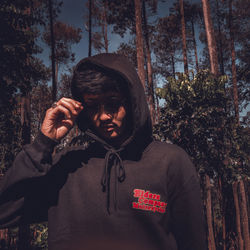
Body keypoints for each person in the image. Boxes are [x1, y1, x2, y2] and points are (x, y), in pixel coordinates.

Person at [0, 53, 206, 250]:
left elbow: (193, 243)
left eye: (113, 103)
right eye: (92, 106)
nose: (104, 116)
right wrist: (43, 143)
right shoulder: (67, 165)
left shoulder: (170, 162)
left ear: (132, 101)